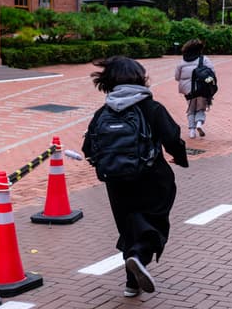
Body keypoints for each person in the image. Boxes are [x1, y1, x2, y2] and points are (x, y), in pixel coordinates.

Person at [81, 56, 189, 298]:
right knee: (155, 220)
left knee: (129, 226)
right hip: (152, 177)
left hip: (116, 181)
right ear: (140, 78)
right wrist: (180, 157)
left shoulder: (103, 112)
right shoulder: (152, 108)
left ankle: (131, 284)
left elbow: (89, 148)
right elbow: (172, 138)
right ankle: (139, 256)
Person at [174, 39, 215, 139]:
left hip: (188, 91)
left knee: (191, 110)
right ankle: (199, 124)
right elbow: (212, 73)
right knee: (201, 108)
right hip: (202, 88)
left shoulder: (182, 61)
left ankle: (192, 131)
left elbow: (176, 77)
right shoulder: (204, 59)